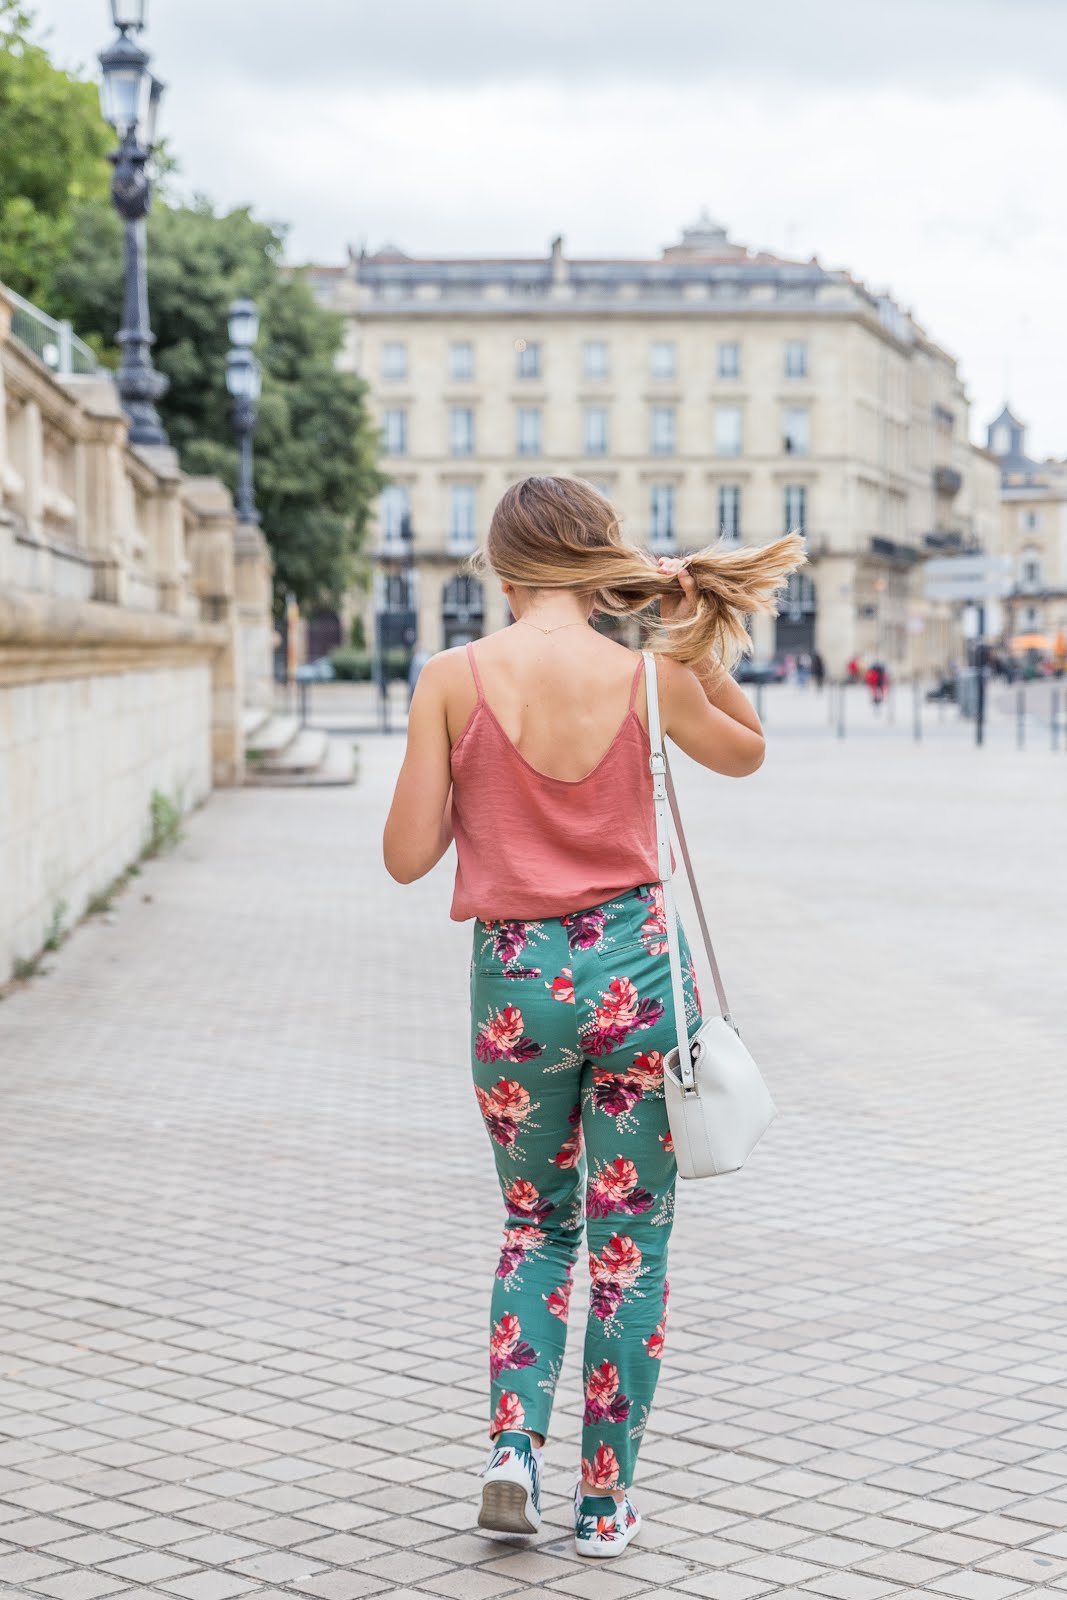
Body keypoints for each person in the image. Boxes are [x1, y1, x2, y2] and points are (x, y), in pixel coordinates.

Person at [383, 477, 804, 1559]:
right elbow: (749, 749)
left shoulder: (449, 677)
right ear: (593, 562)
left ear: (506, 570)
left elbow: (405, 856)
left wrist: (478, 776)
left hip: (518, 986)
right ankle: (605, 1502)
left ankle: (511, 1450)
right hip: (637, 980)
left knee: (536, 1223)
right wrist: (688, 640)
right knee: (629, 1245)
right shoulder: (646, 675)